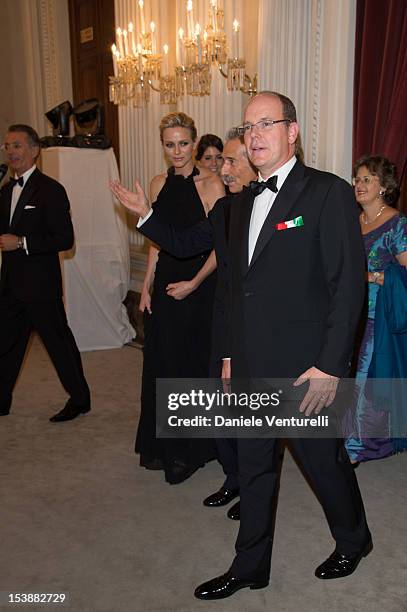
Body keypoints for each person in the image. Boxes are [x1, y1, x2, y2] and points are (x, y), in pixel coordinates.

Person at [111, 91, 372, 598]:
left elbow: (349, 287)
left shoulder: (326, 193)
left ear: (291, 132)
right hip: (251, 364)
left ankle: (354, 539)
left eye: (266, 124)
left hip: (306, 370)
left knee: (324, 465)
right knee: (253, 469)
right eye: (247, 126)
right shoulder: (236, 206)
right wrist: (145, 215)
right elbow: (218, 276)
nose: (254, 135)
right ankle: (250, 565)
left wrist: (329, 366)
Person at [136, 112, 225, 484]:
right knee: (163, 361)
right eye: (170, 144)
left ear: (194, 142)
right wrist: (146, 283)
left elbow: (221, 247)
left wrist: (193, 282)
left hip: (199, 286)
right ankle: (166, 446)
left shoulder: (212, 184)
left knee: (190, 365)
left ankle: (192, 450)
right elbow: (159, 239)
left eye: (183, 143)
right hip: (165, 281)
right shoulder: (158, 183)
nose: (177, 151)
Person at [0, 124, 90, 422]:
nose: (11, 151)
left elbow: (65, 239)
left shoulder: (51, 189)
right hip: (11, 284)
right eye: (7, 146)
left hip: (41, 286)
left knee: (58, 345)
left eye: (17, 145)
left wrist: (22, 242)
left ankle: (80, 399)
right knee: (6, 344)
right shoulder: (4, 190)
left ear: (34, 149)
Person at [345, 155, 407, 463]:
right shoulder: (351, 220)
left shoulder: (397, 223)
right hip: (348, 312)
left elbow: (406, 275)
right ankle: (352, 438)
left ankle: (358, 447)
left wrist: (372, 276)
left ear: (384, 186)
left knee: (364, 381)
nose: (359, 184)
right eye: (357, 179)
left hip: (377, 315)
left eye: (367, 179)